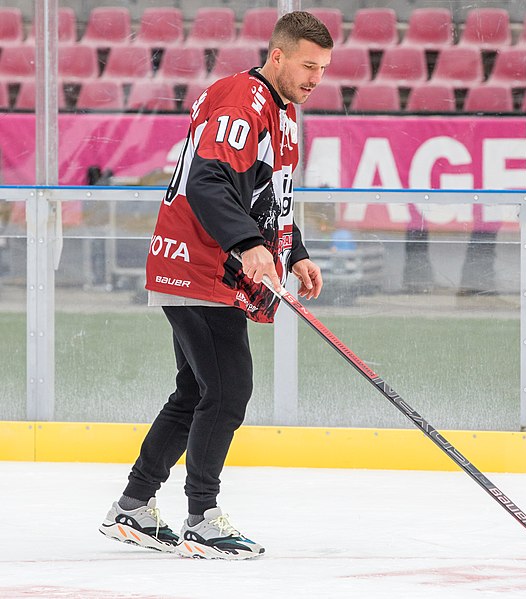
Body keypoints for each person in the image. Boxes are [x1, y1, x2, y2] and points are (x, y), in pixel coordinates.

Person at [99, 11, 333, 560]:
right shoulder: (242, 99)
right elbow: (208, 180)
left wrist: (292, 252)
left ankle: (132, 507)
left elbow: (267, 197)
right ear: (277, 55)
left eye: (322, 68)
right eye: (307, 65)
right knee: (228, 390)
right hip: (198, 266)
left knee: (196, 392)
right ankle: (202, 518)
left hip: (203, 265)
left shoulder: (281, 113)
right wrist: (248, 245)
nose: (315, 77)